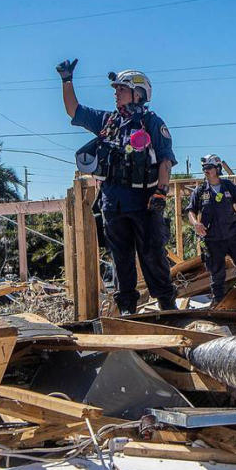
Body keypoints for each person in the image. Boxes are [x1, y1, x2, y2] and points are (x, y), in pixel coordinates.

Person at [55, 59, 177, 315]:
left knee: (152, 254)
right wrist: (67, 80)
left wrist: (161, 192)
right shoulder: (107, 121)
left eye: (121, 89)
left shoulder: (152, 122)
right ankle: (127, 310)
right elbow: (73, 110)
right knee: (120, 258)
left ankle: (167, 305)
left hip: (145, 200)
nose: (115, 93)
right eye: (116, 89)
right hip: (114, 202)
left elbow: (165, 160)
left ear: (138, 93)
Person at [186, 154, 236, 306]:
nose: (206, 171)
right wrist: (196, 223)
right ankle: (219, 303)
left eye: (209, 168)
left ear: (217, 169)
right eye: (204, 169)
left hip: (233, 235)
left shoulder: (228, 186)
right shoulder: (201, 191)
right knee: (217, 275)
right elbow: (191, 211)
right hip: (212, 240)